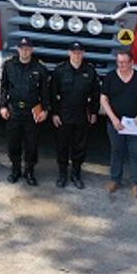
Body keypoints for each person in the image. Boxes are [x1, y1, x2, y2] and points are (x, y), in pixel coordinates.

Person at [99, 49, 137, 196]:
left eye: (124, 62)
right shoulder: (110, 77)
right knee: (116, 151)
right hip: (116, 124)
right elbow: (103, 98)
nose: (121, 65)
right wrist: (113, 118)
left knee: (136, 153)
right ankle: (115, 180)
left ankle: (136, 183)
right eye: (119, 62)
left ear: (132, 63)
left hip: (135, 125)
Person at [47, 42, 100, 189]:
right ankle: (62, 174)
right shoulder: (60, 71)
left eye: (79, 52)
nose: (77, 55)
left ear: (83, 53)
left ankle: (76, 174)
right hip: (63, 115)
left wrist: (94, 112)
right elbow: (53, 93)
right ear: (69, 53)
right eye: (74, 52)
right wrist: (55, 113)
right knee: (62, 146)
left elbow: (95, 94)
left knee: (80, 147)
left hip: (82, 115)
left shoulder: (90, 71)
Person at [0, 36, 48, 185]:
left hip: (31, 112)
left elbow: (45, 92)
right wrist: (3, 106)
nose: (24, 52)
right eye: (22, 49)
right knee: (13, 143)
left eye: (27, 49)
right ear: (18, 49)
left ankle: (30, 172)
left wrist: (45, 110)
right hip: (14, 111)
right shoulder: (9, 66)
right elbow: (4, 87)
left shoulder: (40, 69)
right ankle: (15, 170)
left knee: (31, 144)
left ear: (31, 50)